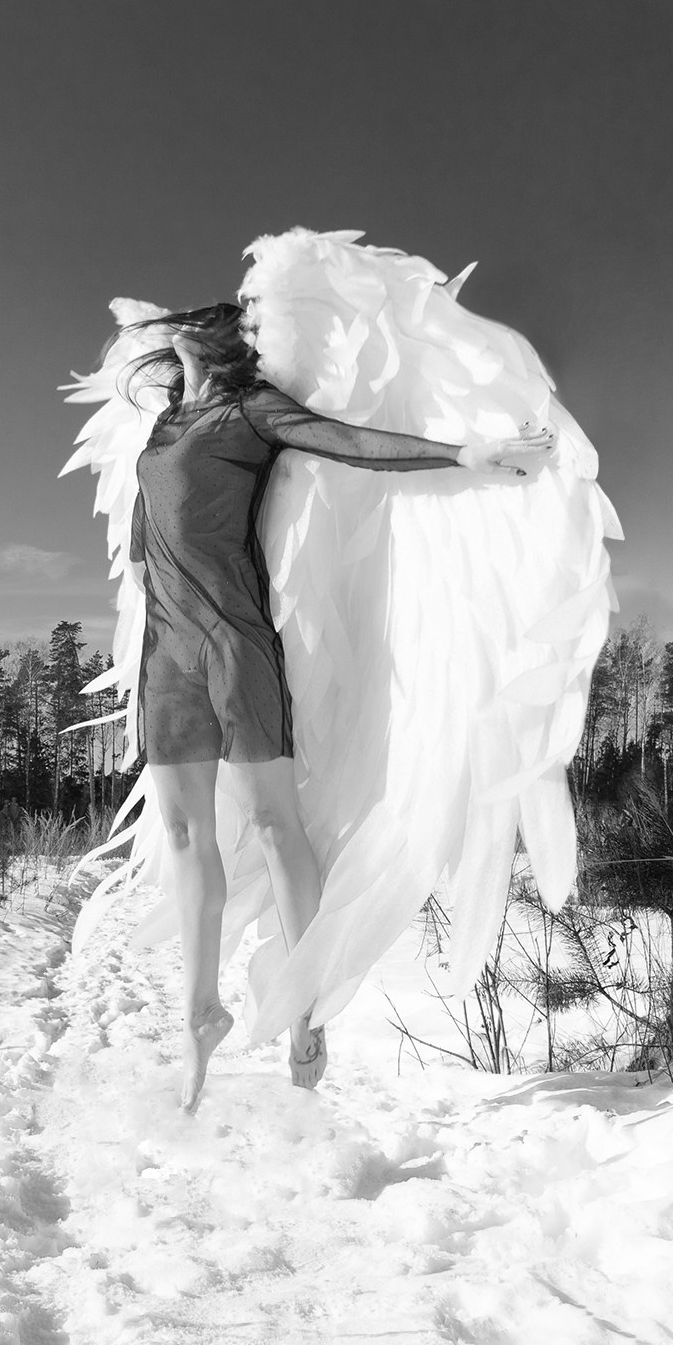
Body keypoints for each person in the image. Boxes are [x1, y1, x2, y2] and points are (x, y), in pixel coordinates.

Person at [118, 300, 553, 1111]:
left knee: (277, 824)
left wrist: (467, 452)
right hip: (165, 652)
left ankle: (305, 1010)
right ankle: (200, 1011)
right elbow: (145, 542)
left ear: (224, 341)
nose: (178, 329)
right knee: (184, 831)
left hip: (234, 641)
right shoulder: (165, 428)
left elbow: (351, 444)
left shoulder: (253, 410)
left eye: (199, 321)